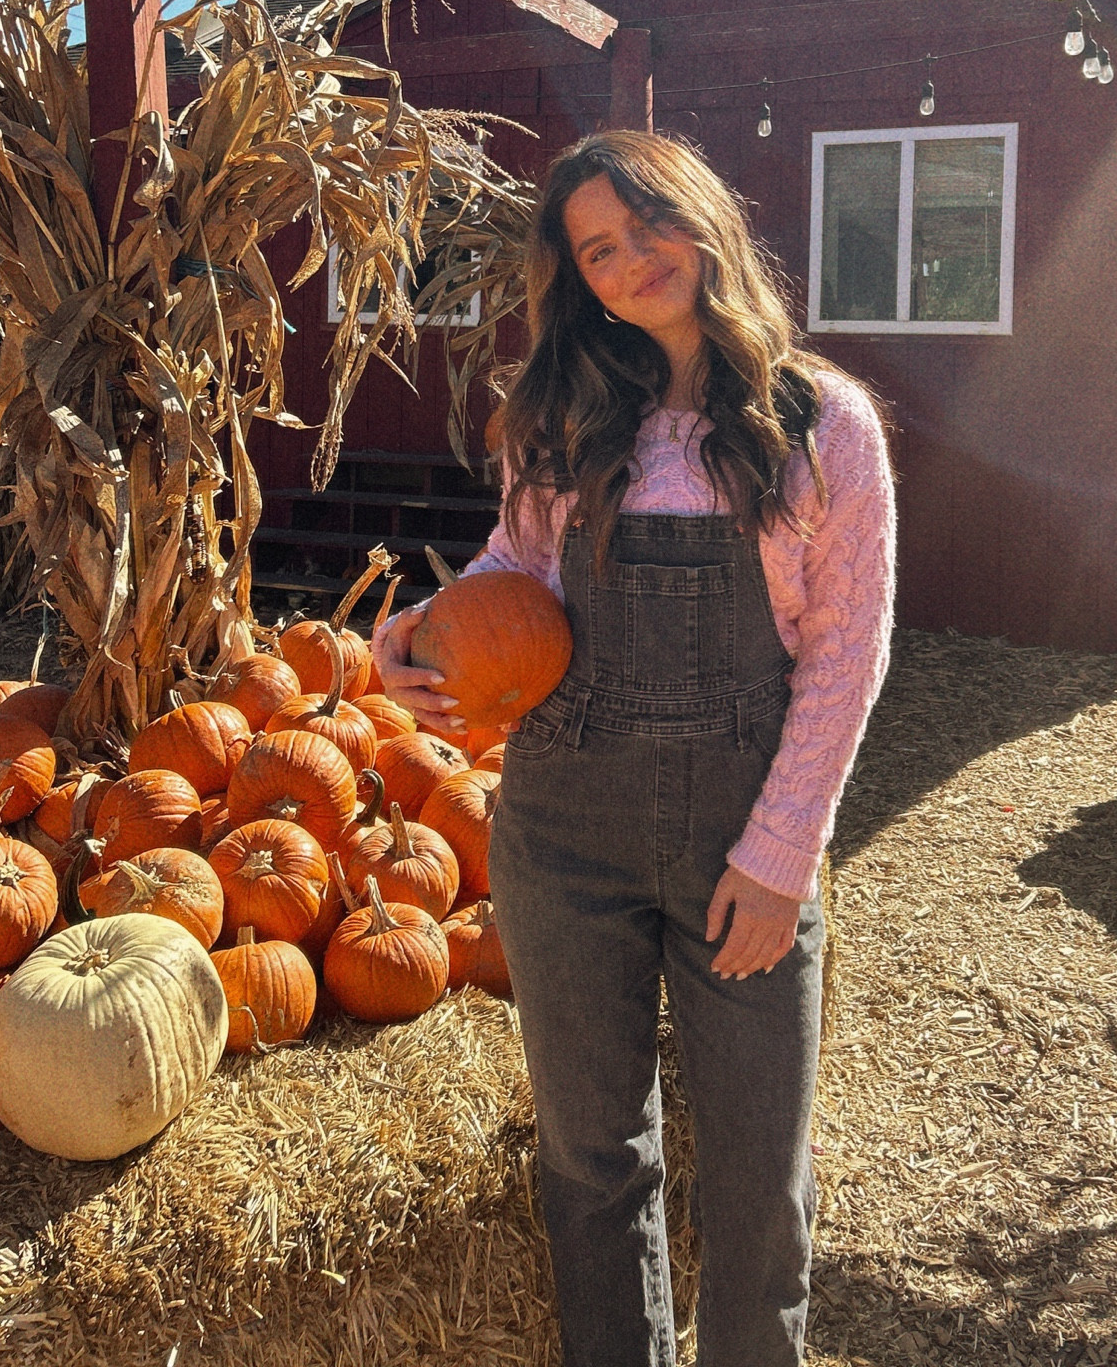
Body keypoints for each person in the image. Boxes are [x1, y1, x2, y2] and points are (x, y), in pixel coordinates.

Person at [374, 130, 895, 1367]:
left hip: (741, 835)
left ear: (702, 215)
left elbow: (844, 652)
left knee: (761, 1164)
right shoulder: (562, 413)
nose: (630, 261)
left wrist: (780, 854)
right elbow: (519, 569)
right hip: (564, 823)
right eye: (596, 250)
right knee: (591, 1156)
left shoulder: (825, 421)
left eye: (646, 224)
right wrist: (413, 631)